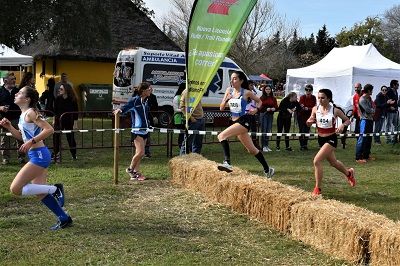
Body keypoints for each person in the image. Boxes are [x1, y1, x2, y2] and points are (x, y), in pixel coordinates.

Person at [0, 85, 72, 229]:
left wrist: (32, 141)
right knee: (39, 192)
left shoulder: (31, 112)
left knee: (15, 188)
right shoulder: (23, 114)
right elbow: (22, 137)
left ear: (27, 99)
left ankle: (55, 189)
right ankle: (64, 218)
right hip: (37, 154)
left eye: (19, 93)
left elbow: (49, 129)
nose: (15, 95)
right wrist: (9, 127)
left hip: (39, 155)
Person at [217, 71, 274, 178]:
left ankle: (227, 162)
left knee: (221, 136)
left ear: (241, 81)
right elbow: (221, 108)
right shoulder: (229, 91)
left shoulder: (246, 92)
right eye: (231, 78)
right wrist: (226, 99)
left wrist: (256, 109)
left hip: (244, 121)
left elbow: (260, 101)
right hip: (234, 121)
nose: (232, 81)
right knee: (252, 150)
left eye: (234, 78)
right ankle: (268, 169)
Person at [306, 88, 355, 196]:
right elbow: (309, 122)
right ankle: (349, 173)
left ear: (329, 98)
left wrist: (343, 125)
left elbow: (347, 120)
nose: (320, 100)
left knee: (316, 161)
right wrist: (309, 122)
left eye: (323, 98)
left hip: (331, 139)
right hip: (321, 139)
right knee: (333, 163)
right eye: (319, 98)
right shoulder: (315, 109)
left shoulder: (335, 110)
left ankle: (317, 189)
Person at [113, 82, 152, 181]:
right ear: (143, 91)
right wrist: (119, 110)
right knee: (140, 152)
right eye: (149, 89)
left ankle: (135, 172)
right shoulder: (135, 101)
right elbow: (125, 107)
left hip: (145, 130)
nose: (151, 91)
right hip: (137, 130)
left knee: (141, 154)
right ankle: (130, 169)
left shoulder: (145, 101)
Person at [0, 72, 26, 164]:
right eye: (12, 79)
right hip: (4, 120)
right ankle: (5, 158)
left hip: (17, 119)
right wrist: (1, 108)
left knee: (20, 138)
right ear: (6, 81)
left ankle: (21, 157)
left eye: (14, 79)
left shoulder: (18, 91)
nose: (14, 80)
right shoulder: (0, 91)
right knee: (4, 139)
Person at [53, 83, 79, 161]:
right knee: (56, 136)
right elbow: (55, 111)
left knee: (70, 138)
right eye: (59, 89)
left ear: (66, 90)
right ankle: (56, 153)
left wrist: (75, 123)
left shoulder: (72, 100)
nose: (59, 90)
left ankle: (74, 155)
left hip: (69, 120)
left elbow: (75, 112)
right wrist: (54, 120)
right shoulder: (58, 99)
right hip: (59, 120)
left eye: (61, 89)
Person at [179, 87, 205, 155]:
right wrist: (191, 118)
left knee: (198, 142)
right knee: (187, 142)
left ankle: (196, 158)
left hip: (200, 119)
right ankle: (183, 159)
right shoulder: (186, 92)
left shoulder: (197, 90)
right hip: (193, 120)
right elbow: (182, 107)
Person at [355, 84, 375, 162]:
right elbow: (369, 110)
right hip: (364, 120)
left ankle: (366, 155)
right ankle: (358, 157)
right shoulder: (362, 99)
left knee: (369, 138)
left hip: (370, 119)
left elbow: (373, 108)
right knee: (362, 138)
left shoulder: (369, 98)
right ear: (369, 90)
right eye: (371, 90)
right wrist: (372, 110)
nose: (372, 92)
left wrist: (372, 110)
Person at [259, 85, 278, 152]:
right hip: (263, 115)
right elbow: (260, 106)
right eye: (266, 89)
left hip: (270, 115)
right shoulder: (262, 98)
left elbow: (276, 106)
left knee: (268, 130)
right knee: (263, 130)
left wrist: (274, 109)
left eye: (269, 89)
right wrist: (266, 109)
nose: (268, 90)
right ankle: (263, 145)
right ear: (264, 90)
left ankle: (266, 145)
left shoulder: (273, 98)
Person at [298, 84, 317, 150]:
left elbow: (314, 107)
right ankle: (302, 145)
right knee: (302, 130)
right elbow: (302, 107)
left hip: (309, 116)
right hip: (301, 116)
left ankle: (305, 144)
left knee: (307, 130)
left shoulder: (314, 97)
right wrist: (310, 109)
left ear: (312, 91)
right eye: (307, 90)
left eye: (310, 90)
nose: (308, 91)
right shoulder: (302, 97)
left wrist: (308, 108)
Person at [144, 87, 158, 158]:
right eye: (149, 89)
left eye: (151, 89)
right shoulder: (141, 98)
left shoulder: (153, 97)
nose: (151, 91)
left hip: (149, 117)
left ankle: (146, 151)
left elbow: (156, 106)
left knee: (147, 136)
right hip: (142, 120)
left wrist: (155, 116)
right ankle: (141, 152)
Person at [246, 80, 259, 148]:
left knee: (254, 129)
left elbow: (256, 102)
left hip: (253, 113)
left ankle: (254, 143)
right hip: (246, 113)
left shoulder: (254, 93)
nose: (252, 86)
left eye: (253, 85)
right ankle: (247, 144)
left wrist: (256, 108)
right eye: (251, 85)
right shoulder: (245, 93)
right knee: (246, 129)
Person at [385, 80, 399, 144]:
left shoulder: (395, 91)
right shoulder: (388, 91)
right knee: (388, 125)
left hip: (395, 110)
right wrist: (389, 106)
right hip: (390, 111)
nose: (398, 86)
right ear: (394, 85)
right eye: (397, 84)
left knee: (396, 125)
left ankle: (394, 138)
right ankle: (388, 139)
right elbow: (386, 100)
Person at [173, 83, 186, 150]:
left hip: (186, 118)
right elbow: (175, 109)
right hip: (179, 118)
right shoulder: (176, 97)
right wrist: (184, 110)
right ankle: (180, 147)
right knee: (181, 134)